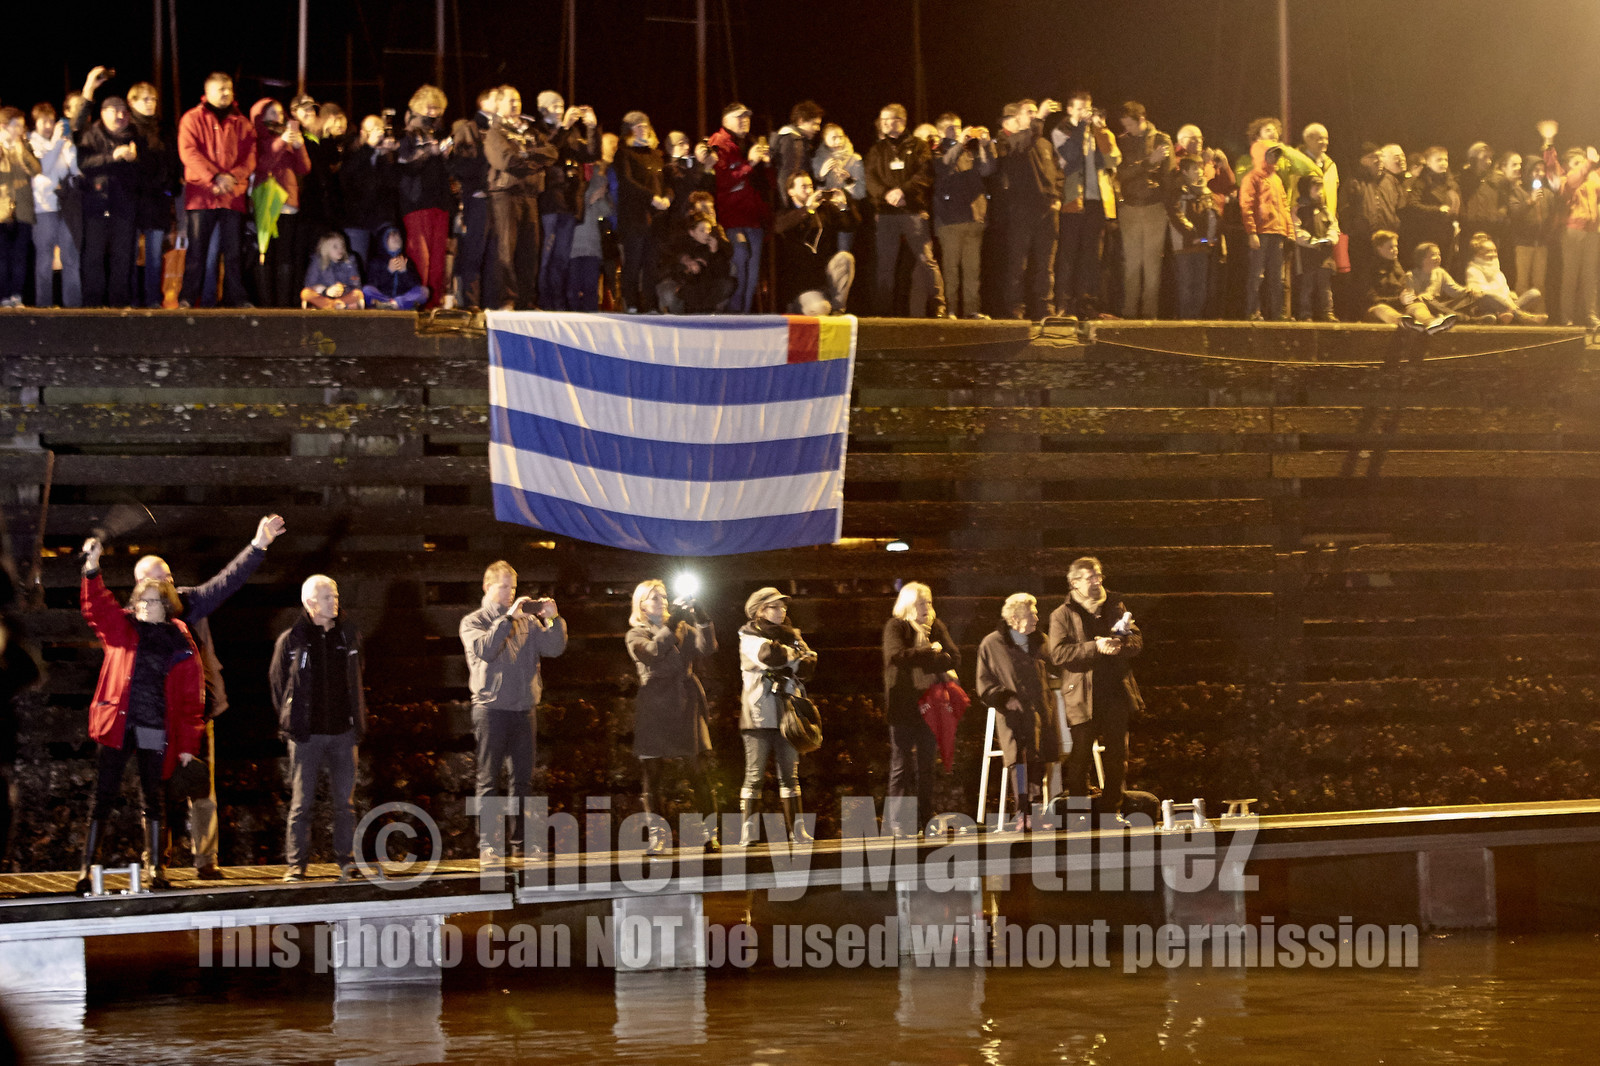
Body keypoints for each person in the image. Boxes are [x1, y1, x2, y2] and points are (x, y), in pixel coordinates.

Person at [131, 515, 283, 880]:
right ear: (141, 585)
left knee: (201, 788)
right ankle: (156, 861)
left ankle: (206, 861)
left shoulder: (189, 603)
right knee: (154, 792)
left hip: (196, 714)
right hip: (153, 720)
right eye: (159, 579)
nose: (168, 583)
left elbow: (226, 582)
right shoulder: (133, 621)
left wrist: (258, 545)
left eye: (169, 576)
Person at [76, 537, 204, 893]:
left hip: (154, 726)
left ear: (167, 605)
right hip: (118, 723)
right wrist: (92, 569)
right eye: (142, 601)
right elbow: (96, 607)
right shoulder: (123, 627)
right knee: (103, 794)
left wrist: (188, 745)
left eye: (154, 601)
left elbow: (192, 697)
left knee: (153, 797)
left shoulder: (179, 639)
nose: (147, 606)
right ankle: (87, 868)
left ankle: (156, 869)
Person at [459, 560, 566, 863]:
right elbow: (486, 649)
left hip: (523, 708)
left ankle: (523, 842)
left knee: (523, 780)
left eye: (514, 587)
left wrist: (554, 619)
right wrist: (507, 618)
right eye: (504, 586)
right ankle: (488, 845)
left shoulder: (527, 622)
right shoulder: (473, 621)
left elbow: (555, 648)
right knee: (489, 779)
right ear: (487, 586)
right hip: (491, 709)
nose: (510, 593)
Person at [269, 575, 366, 882]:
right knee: (302, 803)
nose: (334, 602)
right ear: (310, 602)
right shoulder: (292, 639)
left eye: (335, 596)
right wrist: (293, 719)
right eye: (327, 597)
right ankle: (296, 865)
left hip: (343, 732)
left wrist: (356, 720)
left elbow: (357, 677)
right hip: (306, 735)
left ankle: (346, 861)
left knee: (345, 804)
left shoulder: (347, 635)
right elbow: (278, 684)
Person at [625, 579, 720, 856]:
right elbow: (652, 653)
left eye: (664, 596)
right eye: (654, 597)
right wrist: (673, 623)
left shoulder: (683, 628)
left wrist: (702, 618)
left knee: (698, 769)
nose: (662, 601)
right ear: (642, 605)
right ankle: (658, 837)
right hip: (655, 703)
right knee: (652, 772)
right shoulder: (636, 633)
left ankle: (710, 834)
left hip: (685, 701)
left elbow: (707, 648)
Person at [1046, 557, 1143, 822]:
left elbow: (1137, 640)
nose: (1097, 581)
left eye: (1099, 576)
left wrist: (1121, 645)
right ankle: (1079, 814)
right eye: (1090, 577)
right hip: (1082, 695)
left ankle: (1112, 811)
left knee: (1117, 756)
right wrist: (1095, 647)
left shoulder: (1115, 606)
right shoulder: (1061, 615)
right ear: (1074, 583)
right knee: (1080, 756)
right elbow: (1058, 654)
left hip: (1116, 692)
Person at [735, 587, 817, 846]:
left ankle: (797, 831)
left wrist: (793, 657)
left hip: (788, 713)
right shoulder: (748, 635)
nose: (782, 610)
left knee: (790, 774)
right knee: (755, 774)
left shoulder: (793, 634)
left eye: (783, 606)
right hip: (758, 715)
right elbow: (769, 656)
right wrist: (794, 656)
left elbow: (809, 666)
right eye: (775, 606)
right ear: (760, 610)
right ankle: (749, 832)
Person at [976, 593, 1059, 833]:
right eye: (1031, 613)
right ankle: (1023, 812)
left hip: (1039, 710)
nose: (1036, 618)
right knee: (1019, 762)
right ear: (1014, 618)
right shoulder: (992, 644)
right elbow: (983, 682)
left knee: (1039, 759)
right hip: (1013, 714)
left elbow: (1055, 664)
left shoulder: (1040, 640)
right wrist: (1004, 698)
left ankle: (1036, 810)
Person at [881, 582, 958, 837]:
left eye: (929, 602)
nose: (927, 607)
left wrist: (929, 655)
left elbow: (954, 657)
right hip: (903, 706)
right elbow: (897, 656)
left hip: (930, 705)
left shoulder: (936, 627)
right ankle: (896, 821)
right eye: (921, 603)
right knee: (901, 764)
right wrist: (930, 652)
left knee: (927, 765)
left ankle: (926, 818)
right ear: (909, 605)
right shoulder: (896, 626)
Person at [177, 73, 256, 308]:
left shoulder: (242, 122)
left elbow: (250, 157)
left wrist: (232, 177)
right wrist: (214, 177)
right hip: (202, 195)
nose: (226, 93)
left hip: (232, 195)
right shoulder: (192, 118)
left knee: (234, 252)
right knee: (197, 250)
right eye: (221, 89)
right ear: (207, 91)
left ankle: (237, 297)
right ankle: (188, 297)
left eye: (229, 89)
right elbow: (188, 152)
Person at [865, 103, 945, 317]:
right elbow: (870, 178)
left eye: (889, 119)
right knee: (885, 264)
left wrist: (903, 191)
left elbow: (925, 174)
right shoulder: (877, 150)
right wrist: (886, 194)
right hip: (887, 214)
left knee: (926, 259)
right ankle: (883, 311)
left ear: (901, 120)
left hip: (913, 211)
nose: (884, 123)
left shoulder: (918, 146)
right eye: (882, 120)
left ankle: (939, 305)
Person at [486, 86, 558, 310]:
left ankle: (527, 300)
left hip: (530, 195)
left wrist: (526, 154)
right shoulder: (495, 132)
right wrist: (534, 162)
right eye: (510, 100)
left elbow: (551, 153)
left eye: (518, 100)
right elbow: (506, 161)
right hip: (506, 194)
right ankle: (507, 298)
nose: (516, 104)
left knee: (530, 250)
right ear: (498, 104)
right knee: (506, 250)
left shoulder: (531, 131)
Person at [1051, 91, 1120, 320]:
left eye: (1087, 109)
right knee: (1068, 255)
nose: (1084, 114)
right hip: (1073, 202)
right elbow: (1070, 158)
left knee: (1092, 257)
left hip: (1097, 202)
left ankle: (1086, 303)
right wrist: (1081, 127)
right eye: (1080, 109)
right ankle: (1063, 303)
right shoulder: (1061, 131)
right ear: (1069, 110)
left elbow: (1113, 160)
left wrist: (1102, 130)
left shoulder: (1096, 131)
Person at [532, 92, 598, 312]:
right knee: (545, 256)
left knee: (561, 257)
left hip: (569, 202)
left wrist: (591, 128)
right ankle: (540, 299)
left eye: (562, 106)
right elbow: (548, 152)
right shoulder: (537, 130)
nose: (560, 110)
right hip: (549, 200)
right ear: (543, 109)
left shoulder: (571, 132)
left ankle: (557, 303)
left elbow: (590, 155)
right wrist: (565, 127)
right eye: (555, 106)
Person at [78, 97, 144, 307]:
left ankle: (119, 303)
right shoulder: (91, 134)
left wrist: (134, 160)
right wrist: (113, 156)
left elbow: (145, 172)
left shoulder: (135, 135)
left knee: (123, 256)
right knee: (94, 255)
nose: (120, 115)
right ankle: (93, 304)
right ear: (103, 113)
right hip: (96, 203)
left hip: (124, 204)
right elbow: (83, 162)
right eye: (115, 111)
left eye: (124, 111)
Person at [248, 97, 313, 307]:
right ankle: (266, 305)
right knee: (264, 252)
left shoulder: (288, 134)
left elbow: (304, 168)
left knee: (285, 255)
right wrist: (283, 141)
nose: (277, 116)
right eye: (271, 112)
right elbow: (261, 164)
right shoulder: (255, 137)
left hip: (287, 202)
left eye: (279, 112)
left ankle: (283, 305)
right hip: (265, 200)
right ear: (261, 116)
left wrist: (299, 146)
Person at [708, 102, 772, 313]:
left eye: (747, 117)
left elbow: (768, 185)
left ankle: (743, 317)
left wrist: (767, 163)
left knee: (752, 276)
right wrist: (750, 164)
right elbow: (721, 181)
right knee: (740, 263)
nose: (744, 121)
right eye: (739, 117)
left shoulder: (750, 142)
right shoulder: (719, 143)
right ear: (725, 120)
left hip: (754, 219)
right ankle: (732, 316)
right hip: (732, 219)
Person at [1114, 101, 1174, 319]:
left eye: (1130, 124)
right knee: (1131, 262)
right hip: (1129, 208)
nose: (1127, 129)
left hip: (1154, 208)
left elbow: (1169, 176)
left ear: (1141, 119)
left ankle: (1150, 314)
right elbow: (1121, 173)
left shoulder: (1161, 139)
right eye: (1124, 125)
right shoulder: (1122, 142)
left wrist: (1168, 208)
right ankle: (1129, 313)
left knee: (1152, 264)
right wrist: (1148, 162)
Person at [932, 112, 995, 319]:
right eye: (951, 128)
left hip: (974, 217)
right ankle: (950, 309)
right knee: (951, 269)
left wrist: (985, 145)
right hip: (949, 219)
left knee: (972, 270)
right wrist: (959, 143)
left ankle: (971, 310)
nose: (956, 131)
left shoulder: (970, 150)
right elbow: (944, 167)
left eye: (958, 127)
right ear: (940, 131)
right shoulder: (936, 150)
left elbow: (987, 170)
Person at [395, 85, 452, 310]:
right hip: (416, 202)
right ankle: (415, 304)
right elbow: (406, 166)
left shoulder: (440, 135)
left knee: (438, 260)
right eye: (429, 107)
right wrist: (429, 152)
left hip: (440, 202)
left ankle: (434, 306)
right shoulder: (407, 136)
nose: (433, 112)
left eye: (437, 108)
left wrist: (447, 156)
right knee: (420, 258)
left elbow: (449, 172)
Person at [772, 171, 855, 315]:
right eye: (803, 187)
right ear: (791, 191)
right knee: (821, 308)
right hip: (801, 287)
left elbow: (849, 226)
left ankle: (838, 310)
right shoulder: (785, 213)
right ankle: (815, 309)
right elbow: (778, 227)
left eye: (810, 186)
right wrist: (807, 210)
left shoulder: (822, 211)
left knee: (845, 258)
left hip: (823, 280)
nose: (809, 190)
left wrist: (843, 207)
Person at [448, 87, 500, 310]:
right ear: (484, 102)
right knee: (474, 252)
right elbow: (461, 165)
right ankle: (471, 302)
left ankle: (491, 303)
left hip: (500, 199)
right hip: (479, 197)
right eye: (497, 98)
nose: (501, 102)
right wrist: (481, 183)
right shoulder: (469, 128)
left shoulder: (502, 128)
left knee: (496, 253)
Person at [1543, 128, 1600, 328]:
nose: (1582, 166)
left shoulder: (1592, 179)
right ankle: (1566, 317)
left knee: (1590, 276)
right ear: (1566, 166)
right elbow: (1552, 167)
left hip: (1592, 232)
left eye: (1583, 162)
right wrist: (1549, 143)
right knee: (1571, 276)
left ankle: (1591, 316)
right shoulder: (1566, 181)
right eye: (1576, 163)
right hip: (1572, 232)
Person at [27, 103, 82, 307]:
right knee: (44, 259)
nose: (49, 125)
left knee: (70, 257)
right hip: (43, 209)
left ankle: (73, 306)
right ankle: (44, 306)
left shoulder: (60, 142)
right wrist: (57, 143)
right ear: (35, 123)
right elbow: (42, 168)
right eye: (44, 121)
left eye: (51, 121)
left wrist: (70, 148)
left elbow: (72, 170)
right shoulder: (30, 143)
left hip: (65, 207)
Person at [615, 111, 670, 313]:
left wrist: (668, 198)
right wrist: (651, 197)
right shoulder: (624, 153)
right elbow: (627, 182)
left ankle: (651, 303)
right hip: (634, 217)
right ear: (629, 130)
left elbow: (666, 182)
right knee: (634, 261)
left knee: (651, 263)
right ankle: (631, 302)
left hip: (656, 218)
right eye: (638, 126)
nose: (643, 129)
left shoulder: (656, 155)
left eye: (646, 126)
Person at [126, 83, 175, 308]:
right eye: (145, 99)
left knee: (155, 255)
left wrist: (169, 187)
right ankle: (132, 299)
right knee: (129, 253)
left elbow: (172, 162)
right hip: (133, 200)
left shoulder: (163, 129)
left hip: (157, 200)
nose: (150, 104)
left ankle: (154, 300)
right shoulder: (127, 129)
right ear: (132, 102)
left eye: (153, 99)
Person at [1239, 140, 1291, 321]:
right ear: (1261, 155)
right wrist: (1252, 232)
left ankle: (1277, 314)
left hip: (1277, 233)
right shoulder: (1252, 178)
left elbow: (1285, 207)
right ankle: (1253, 311)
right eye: (1270, 154)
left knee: (1277, 277)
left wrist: (1289, 232)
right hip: (1261, 232)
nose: (1274, 158)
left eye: (1276, 154)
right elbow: (1246, 206)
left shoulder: (1277, 179)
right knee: (1256, 275)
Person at [341, 115, 399, 272]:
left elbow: (393, 183)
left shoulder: (384, 156)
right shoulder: (353, 151)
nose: (378, 134)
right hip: (357, 219)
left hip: (381, 219)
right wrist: (370, 147)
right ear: (363, 132)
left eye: (380, 129)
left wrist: (387, 156)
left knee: (388, 264)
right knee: (358, 266)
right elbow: (347, 177)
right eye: (373, 130)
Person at [1166, 154, 1221, 319]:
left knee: (1201, 287)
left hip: (1202, 246)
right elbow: (1176, 215)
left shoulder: (1206, 192)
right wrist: (1192, 235)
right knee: (1185, 286)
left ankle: (1196, 321)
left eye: (1200, 168)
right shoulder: (1177, 191)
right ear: (1184, 171)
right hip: (1183, 246)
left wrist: (1210, 238)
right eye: (1195, 168)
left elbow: (1214, 216)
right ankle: (1184, 322)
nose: (1199, 171)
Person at [1364, 229, 1452, 332]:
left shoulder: (1397, 267)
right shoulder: (1369, 269)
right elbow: (1372, 299)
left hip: (1399, 307)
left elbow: (1404, 290)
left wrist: (1411, 296)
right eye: (1390, 247)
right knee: (1381, 309)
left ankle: (1432, 323)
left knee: (1418, 306)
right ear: (1379, 248)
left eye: (1396, 246)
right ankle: (1404, 323)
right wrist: (1398, 300)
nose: (1395, 250)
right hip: (1376, 309)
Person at [567, 133, 616, 312]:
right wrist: (591, 198)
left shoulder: (598, 175)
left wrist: (600, 198)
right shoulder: (571, 171)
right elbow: (569, 204)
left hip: (591, 243)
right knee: (572, 291)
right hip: (571, 242)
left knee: (591, 290)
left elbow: (605, 210)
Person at [657, 207, 735, 314]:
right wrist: (688, 266)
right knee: (688, 289)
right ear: (692, 232)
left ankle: (705, 313)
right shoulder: (684, 245)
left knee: (728, 284)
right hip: (687, 287)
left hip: (708, 287)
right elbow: (671, 264)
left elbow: (721, 272)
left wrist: (714, 252)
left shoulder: (714, 245)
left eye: (708, 230)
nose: (706, 233)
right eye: (702, 230)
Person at [0, 107, 41, 308]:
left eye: (22, 126)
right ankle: (3, 296)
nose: (20, 130)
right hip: (2, 212)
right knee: (2, 258)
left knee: (20, 257)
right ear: (4, 126)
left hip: (23, 211)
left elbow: (36, 169)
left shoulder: (24, 147)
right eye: (16, 125)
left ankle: (17, 295)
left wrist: (21, 149)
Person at [1463, 232, 1547, 324]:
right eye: (1488, 251)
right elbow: (1482, 293)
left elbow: (1504, 291)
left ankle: (1504, 316)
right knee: (1488, 296)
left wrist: (1509, 296)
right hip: (1486, 304)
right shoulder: (1473, 269)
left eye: (1494, 251)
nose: (1493, 254)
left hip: (1504, 304)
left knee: (1535, 293)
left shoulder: (1497, 269)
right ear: (1477, 254)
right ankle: (1523, 316)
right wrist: (1505, 300)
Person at [812, 124, 866, 253]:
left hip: (845, 212)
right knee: (825, 252)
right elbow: (817, 192)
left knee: (843, 253)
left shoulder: (854, 159)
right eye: (833, 138)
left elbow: (860, 193)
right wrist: (821, 176)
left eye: (841, 137)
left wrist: (848, 180)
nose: (838, 141)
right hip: (825, 214)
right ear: (824, 140)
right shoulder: (818, 160)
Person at [1511, 150, 1558, 297]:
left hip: (1541, 244)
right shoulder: (1517, 191)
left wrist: (1548, 236)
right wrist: (1530, 201)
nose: (1540, 174)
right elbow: (1514, 214)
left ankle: (1539, 310)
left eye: (1542, 170)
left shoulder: (1547, 194)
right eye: (1536, 170)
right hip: (1523, 244)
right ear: (1527, 170)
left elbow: (1552, 217)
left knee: (1539, 284)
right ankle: (1520, 310)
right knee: (1522, 282)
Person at [1292, 175, 1337, 321]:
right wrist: (1312, 241)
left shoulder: (1325, 211)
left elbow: (1334, 227)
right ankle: (1305, 314)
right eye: (1316, 189)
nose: (1320, 193)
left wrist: (1329, 239)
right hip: (1306, 256)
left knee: (1325, 287)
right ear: (1306, 190)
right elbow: (1296, 231)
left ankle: (1328, 312)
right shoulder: (1298, 211)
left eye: (1321, 189)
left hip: (1324, 256)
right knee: (1307, 286)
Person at [361, 223, 429, 309]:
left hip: (401, 298)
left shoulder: (407, 261)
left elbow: (415, 285)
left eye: (397, 235)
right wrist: (388, 271)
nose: (396, 238)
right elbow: (373, 283)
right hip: (382, 297)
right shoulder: (377, 261)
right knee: (366, 290)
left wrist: (404, 272)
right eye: (391, 235)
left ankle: (395, 304)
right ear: (384, 240)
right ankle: (387, 304)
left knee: (424, 291)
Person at [772, 101, 824, 206]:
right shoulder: (793, 141)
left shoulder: (799, 141)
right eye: (814, 124)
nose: (818, 129)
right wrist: (790, 204)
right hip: (795, 202)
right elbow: (787, 174)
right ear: (801, 121)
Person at [300, 231, 364, 309]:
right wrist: (325, 290)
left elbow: (356, 285)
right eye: (335, 247)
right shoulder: (317, 261)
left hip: (343, 297)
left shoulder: (349, 262)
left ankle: (333, 306)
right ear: (326, 249)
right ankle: (334, 306)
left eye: (342, 246)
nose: (340, 249)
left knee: (358, 293)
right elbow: (309, 284)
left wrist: (342, 289)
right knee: (305, 293)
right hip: (324, 297)